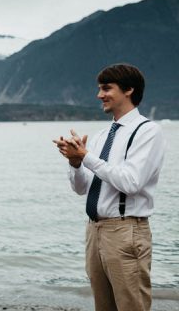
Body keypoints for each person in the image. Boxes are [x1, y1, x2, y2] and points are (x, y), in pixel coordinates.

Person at [53, 64, 165, 311]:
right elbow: (82, 189)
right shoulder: (102, 135)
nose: (99, 95)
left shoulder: (148, 131)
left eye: (106, 88)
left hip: (126, 231)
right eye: (99, 89)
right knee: (103, 307)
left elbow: (131, 182)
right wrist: (75, 162)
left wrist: (87, 156)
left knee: (131, 306)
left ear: (128, 90)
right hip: (94, 230)